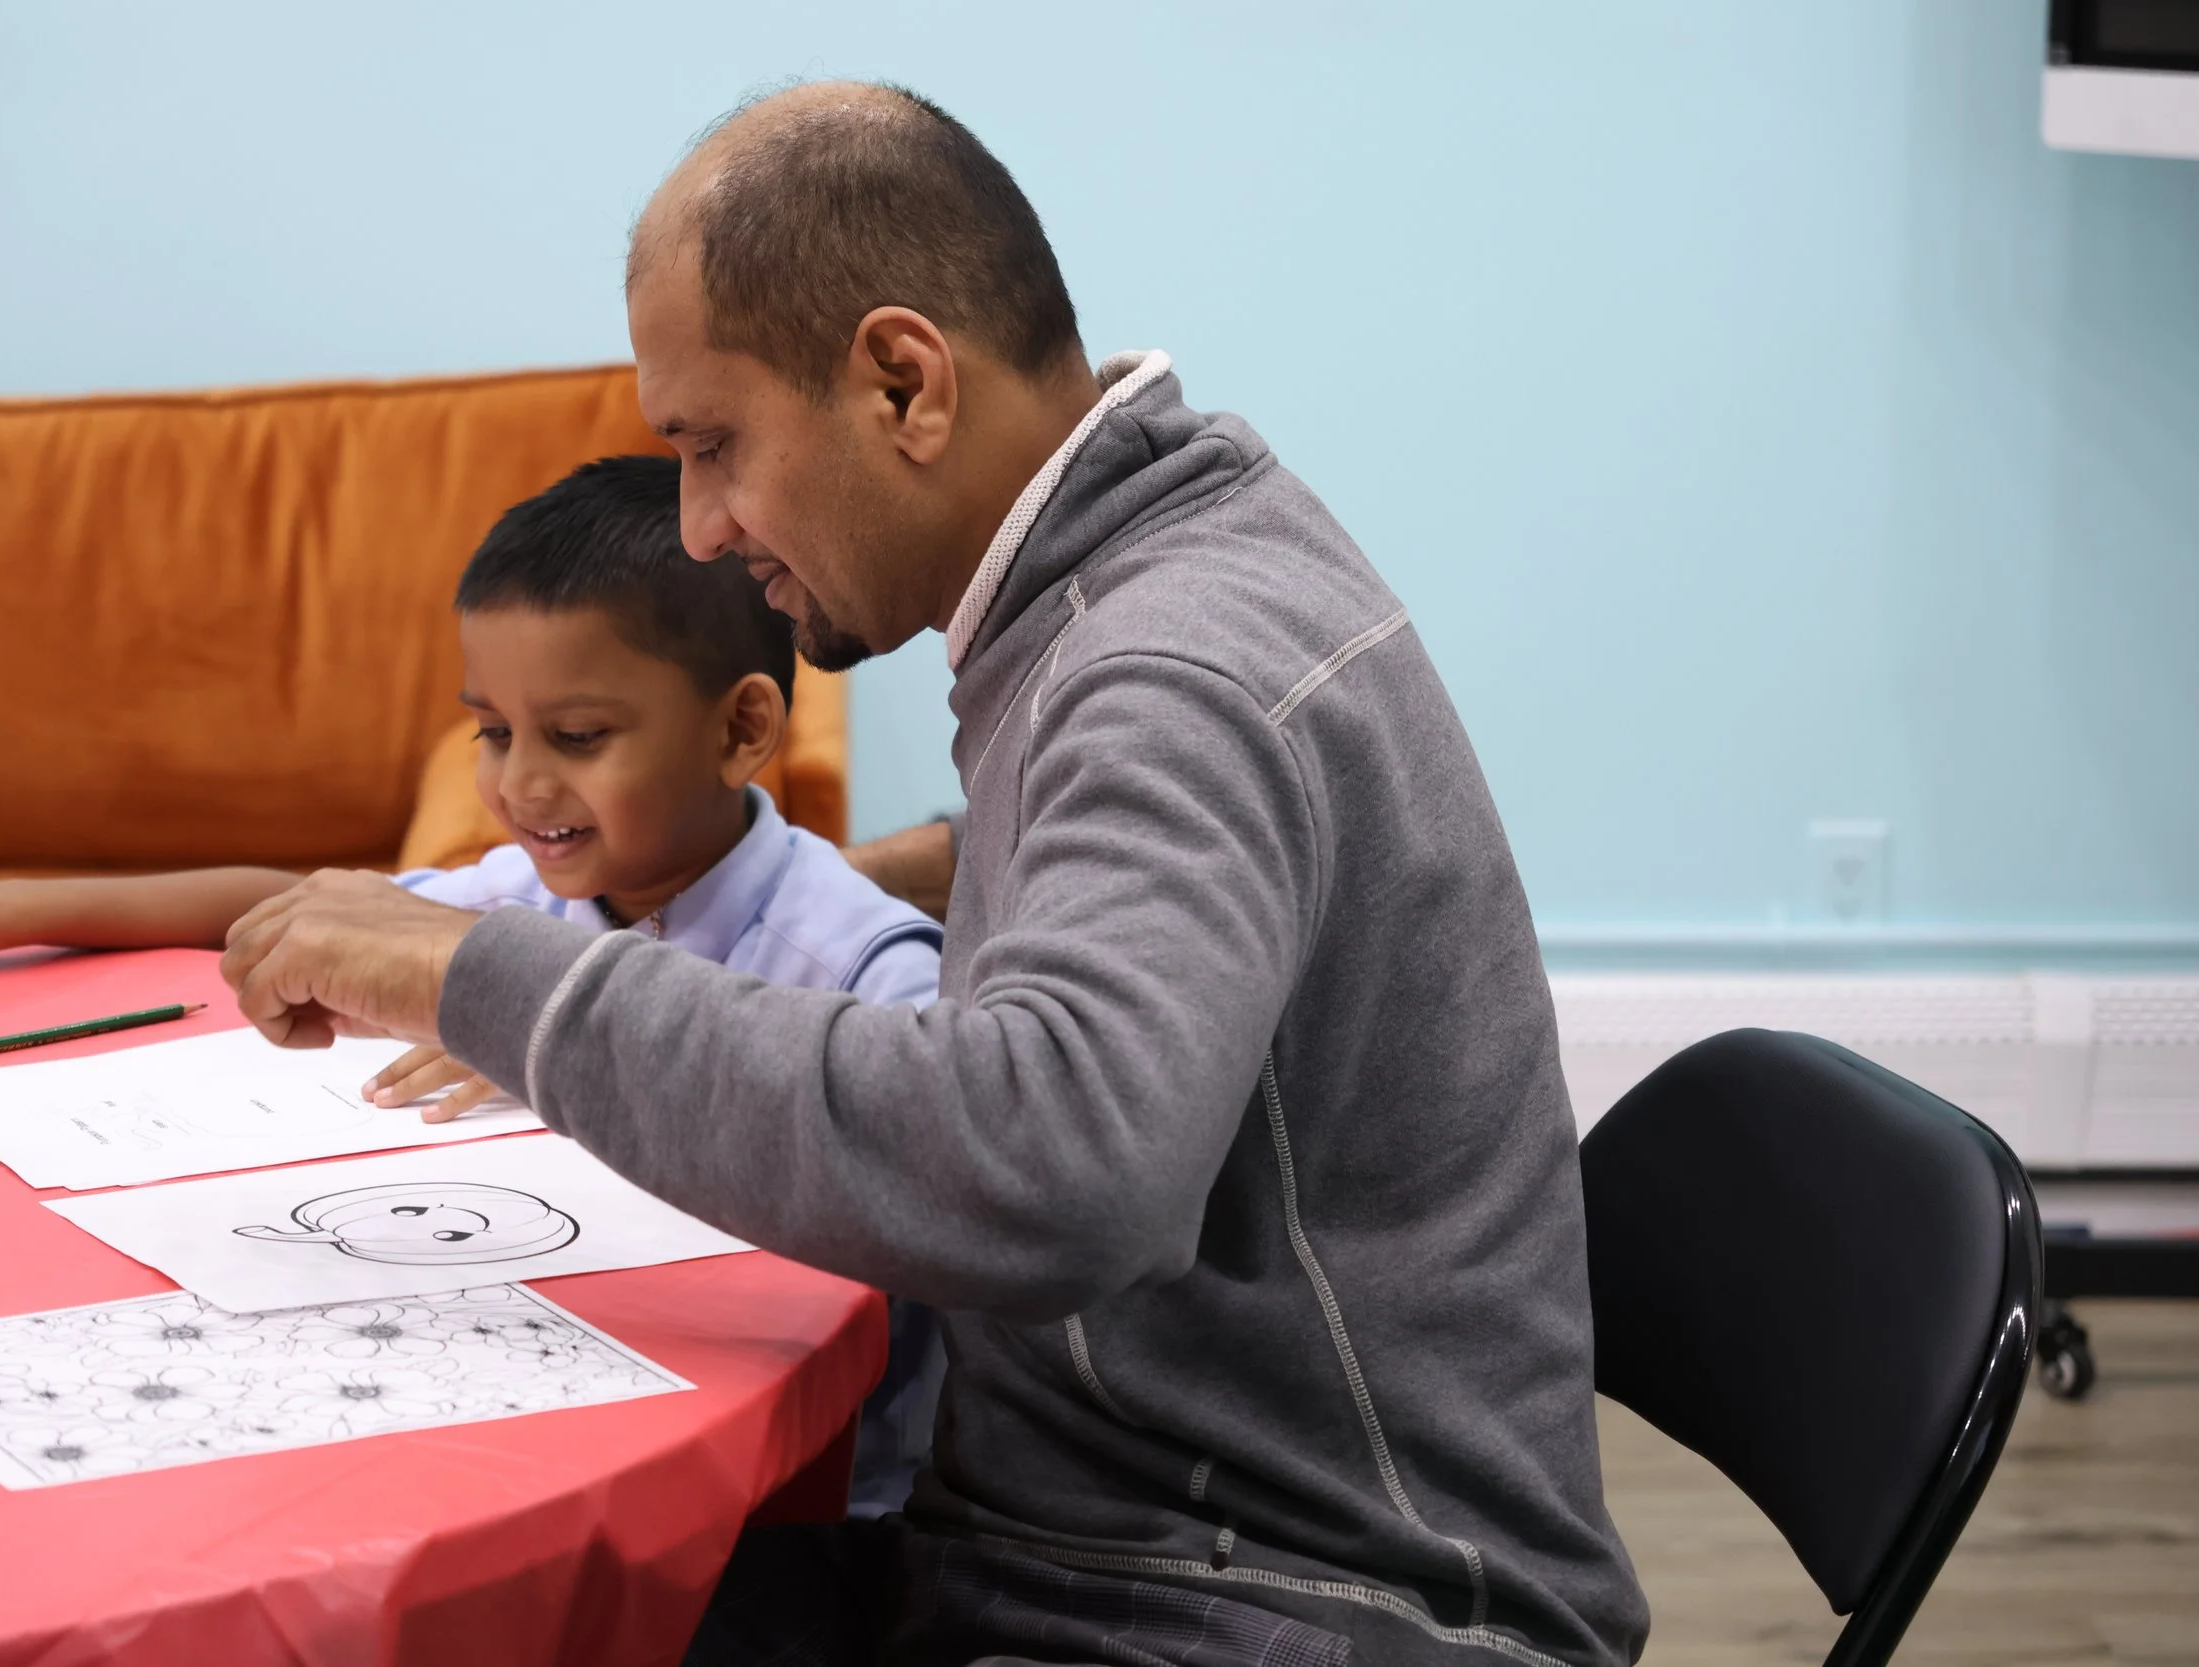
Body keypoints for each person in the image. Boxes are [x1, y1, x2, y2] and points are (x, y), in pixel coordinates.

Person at [218, 84, 1651, 1667]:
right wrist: (884, 866)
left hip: (1288, 1598)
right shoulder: (1163, 559)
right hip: (1128, 1532)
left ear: (903, 380)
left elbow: (1054, 1164)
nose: (699, 527)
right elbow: (1136, 857)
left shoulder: (1165, 669)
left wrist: (465, 971)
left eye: (713, 445)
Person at [0, 454, 949, 1513]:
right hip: (539, 1413)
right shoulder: (529, 897)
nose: (522, 783)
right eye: (493, 731)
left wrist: (558, 1044)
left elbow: (903, 1244)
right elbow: (307, 902)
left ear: (742, 725)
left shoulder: (865, 975)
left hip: (793, 1505)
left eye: (580, 734)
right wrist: (0, 907)